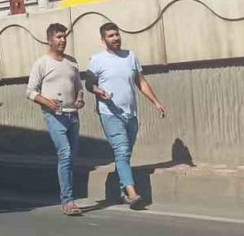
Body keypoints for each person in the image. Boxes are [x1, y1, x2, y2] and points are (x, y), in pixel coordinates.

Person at [86, 22, 168, 208]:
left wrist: (156, 102)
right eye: (110, 36)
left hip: (131, 114)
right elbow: (89, 83)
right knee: (121, 151)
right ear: (103, 40)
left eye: (117, 34)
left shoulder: (130, 56)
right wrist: (99, 91)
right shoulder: (98, 60)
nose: (115, 38)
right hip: (110, 113)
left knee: (124, 154)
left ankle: (120, 191)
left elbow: (141, 82)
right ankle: (133, 195)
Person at [25, 22, 85, 216]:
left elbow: (79, 87)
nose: (63, 40)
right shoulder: (41, 63)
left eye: (64, 36)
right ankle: (67, 201)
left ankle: (68, 195)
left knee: (71, 157)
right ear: (49, 40)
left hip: (72, 115)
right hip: (54, 116)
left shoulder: (72, 62)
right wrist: (47, 102)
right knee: (65, 154)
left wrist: (80, 99)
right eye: (59, 37)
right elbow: (30, 92)